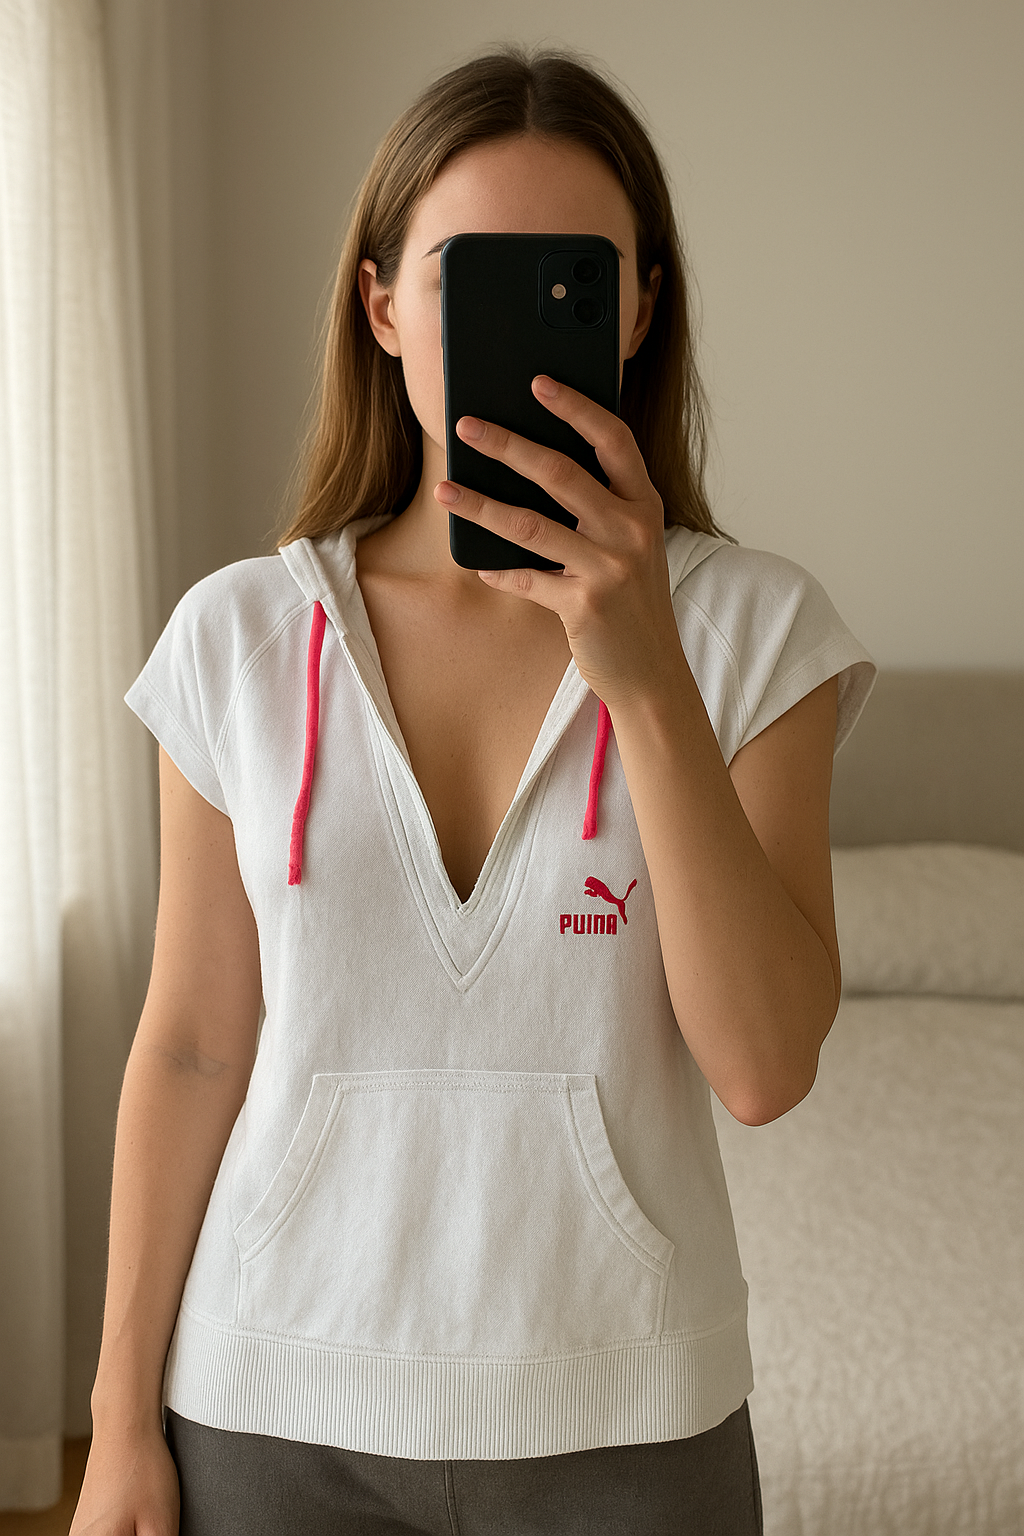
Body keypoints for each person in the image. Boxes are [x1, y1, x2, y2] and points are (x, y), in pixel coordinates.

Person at [71, 46, 874, 1536]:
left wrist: (645, 675)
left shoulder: (757, 634)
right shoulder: (238, 640)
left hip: (630, 1420)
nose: (523, 321)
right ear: (382, 306)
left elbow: (764, 1068)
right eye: (467, 275)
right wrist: (120, 1421)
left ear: (638, 308)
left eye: (573, 278)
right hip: (267, 1405)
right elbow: (188, 1046)